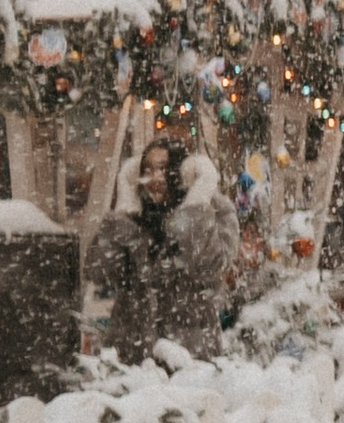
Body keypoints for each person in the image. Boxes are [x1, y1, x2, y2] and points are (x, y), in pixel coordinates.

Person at [90, 136, 240, 363]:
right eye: (147, 170)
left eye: (163, 168)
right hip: (133, 353)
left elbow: (211, 268)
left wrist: (196, 203)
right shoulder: (134, 215)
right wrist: (125, 204)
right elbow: (100, 270)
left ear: (181, 171)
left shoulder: (214, 211)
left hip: (190, 352)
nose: (155, 178)